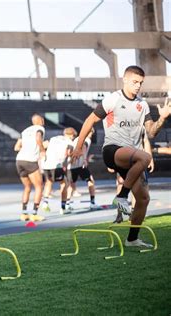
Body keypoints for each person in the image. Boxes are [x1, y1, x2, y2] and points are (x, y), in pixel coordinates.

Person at [72, 65, 170, 248]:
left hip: (132, 157)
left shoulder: (142, 105)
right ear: (124, 80)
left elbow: (151, 132)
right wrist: (78, 147)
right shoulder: (112, 99)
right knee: (145, 157)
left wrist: (162, 118)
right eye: (134, 82)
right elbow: (89, 120)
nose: (138, 86)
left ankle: (132, 238)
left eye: (140, 83)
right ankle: (122, 196)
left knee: (143, 199)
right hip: (112, 150)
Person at [13, 114, 46, 221]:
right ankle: (34, 213)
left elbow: (16, 147)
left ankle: (24, 213)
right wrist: (42, 150)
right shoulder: (40, 128)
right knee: (39, 186)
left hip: (19, 160)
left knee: (27, 187)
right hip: (30, 160)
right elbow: (38, 138)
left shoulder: (25, 131)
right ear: (40, 121)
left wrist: (27, 147)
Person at [41, 127, 76, 215]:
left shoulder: (54, 138)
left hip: (46, 165)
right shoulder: (70, 142)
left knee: (48, 182)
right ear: (71, 135)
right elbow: (68, 154)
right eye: (74, 136)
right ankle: (63, 207)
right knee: (64, 184)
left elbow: (44, 145)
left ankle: (45, 203)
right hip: (57, 165)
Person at [67, 128, 99, 210]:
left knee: (71, 184)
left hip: (71, 166)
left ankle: (67, 204)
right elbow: (84, 146)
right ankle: (92, 202)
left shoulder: (77, 139)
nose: (92, 135)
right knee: (90, 181)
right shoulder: (87, 139)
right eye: (91, 133)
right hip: (80, 165)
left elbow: (69, 151)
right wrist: (84, 159)